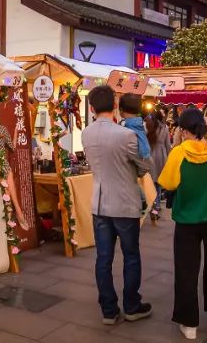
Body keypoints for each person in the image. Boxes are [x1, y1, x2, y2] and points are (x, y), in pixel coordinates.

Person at [157, 107, 207, 340]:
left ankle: (188, 323)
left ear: (182, 130)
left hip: (187, 220)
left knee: (186, 269)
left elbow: (168, 183)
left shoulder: (179, 153)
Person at [80, 85, 152, 325]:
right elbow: (144, 165)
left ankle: (109, 310)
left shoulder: (86, 134)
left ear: (91, 108)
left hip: (100, 204)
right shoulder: (126, 135)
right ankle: (131, 306)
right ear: (114, 106)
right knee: (131, 255)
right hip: (125, 203)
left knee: (103, 258)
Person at [145, 111, 172, 222]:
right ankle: (156, 207)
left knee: (151, 183)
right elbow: (167, 145)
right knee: (158, 183)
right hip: (161, 157)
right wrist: (170, 158)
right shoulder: (164, 128)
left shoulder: (147, 127)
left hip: (149, 157)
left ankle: (153, 207)